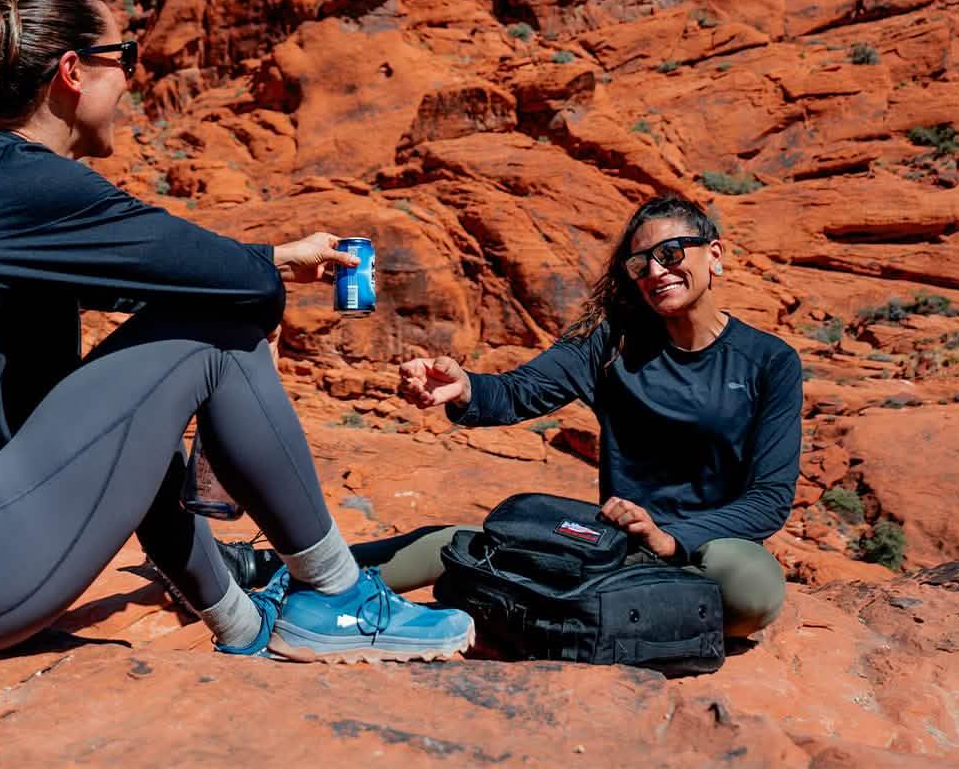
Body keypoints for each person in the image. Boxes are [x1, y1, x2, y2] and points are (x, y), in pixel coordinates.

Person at [0, 0, 472, 661]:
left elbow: (166, 321)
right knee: (211, 336)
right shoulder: (28, 186)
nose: (131, 81)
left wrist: (271, 260)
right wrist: (265, 275)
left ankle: (241, 623)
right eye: (124, 58)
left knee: (154, 359)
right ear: (73, 72)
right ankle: (338, 597)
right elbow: (229, 290)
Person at [224, 195, 801, 638]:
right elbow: (523, 391)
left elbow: (768, 499)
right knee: (458, 543)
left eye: (670, 255)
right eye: (639, 262)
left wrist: (672, 538)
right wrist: (463, 388)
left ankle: (570, 605)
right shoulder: (612, 345)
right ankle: (270, 569)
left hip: (703, 549)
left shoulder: (769, 362)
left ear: (714, 255)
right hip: (610, 543)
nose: (655, 271)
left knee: (752, 586)